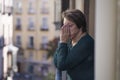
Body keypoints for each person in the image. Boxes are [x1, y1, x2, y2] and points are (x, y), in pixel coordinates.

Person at [53, 9, 94, 80]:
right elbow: (56, 61)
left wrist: (62, 42)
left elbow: (61, 65)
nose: (66, 30)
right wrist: (63, 42)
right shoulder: (70, 41)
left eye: (70, 26)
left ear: (80, 26)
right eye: (65, 26)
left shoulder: (86, 43)